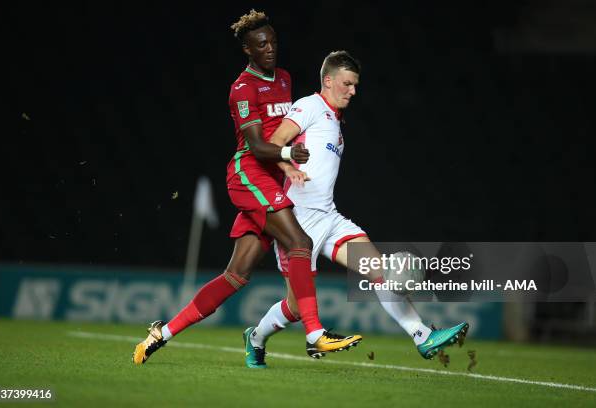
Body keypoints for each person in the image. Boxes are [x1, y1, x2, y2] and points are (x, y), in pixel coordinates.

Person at [133, 10, 361, 365]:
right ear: (247, 50)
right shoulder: (242, 88)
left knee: (236, 275)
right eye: (261, 44)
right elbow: (256, 146)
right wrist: (288, 152)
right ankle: (316, 335)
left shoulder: (284, 79)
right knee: (300, 242)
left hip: (272, 181)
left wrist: (290, 162)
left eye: (273, 41)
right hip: (248, 174)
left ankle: (161, 333)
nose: (269, 48)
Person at [242, 50, 469, 368]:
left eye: (355, 85)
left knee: (382, 273)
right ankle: (255, 338)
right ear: (328, 81)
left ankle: (422, 336)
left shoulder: (336, 122)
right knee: (295, 308)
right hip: (295, 220)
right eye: (347, 84)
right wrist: (288, 166)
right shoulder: (309, 106)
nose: (353, 91)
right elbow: (276, 141)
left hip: (329, 217)